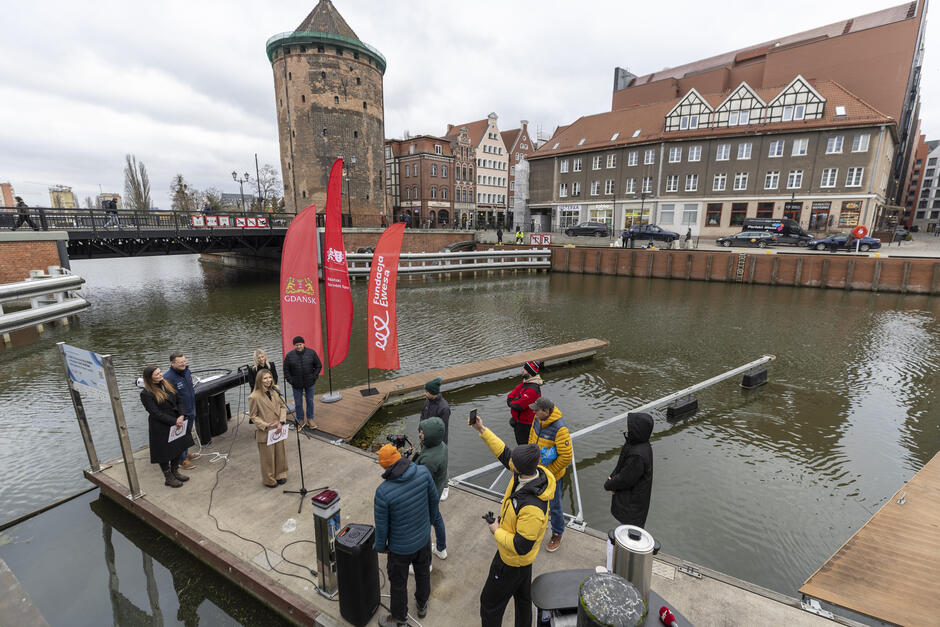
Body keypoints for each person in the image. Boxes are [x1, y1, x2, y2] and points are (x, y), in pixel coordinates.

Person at [470, 413, 554, 627]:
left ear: (520, 468)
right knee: (523, 601)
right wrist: (482, 429)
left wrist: (495, 529)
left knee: (489, 605)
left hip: (510, 562)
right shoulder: (527, 473)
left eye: (512, 462)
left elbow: (522, 546)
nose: (509, 463)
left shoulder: (532, 508)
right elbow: (503, 452)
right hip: (522, 565)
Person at [373, 444, 438, 627]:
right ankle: (422, 603)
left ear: (385, 467)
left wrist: (381, 547)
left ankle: (399, 618)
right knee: (423, 571)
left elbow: (382, 527)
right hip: (423, 539)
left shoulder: (383, 492)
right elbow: (434, 503)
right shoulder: (424, 472)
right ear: (399, 457)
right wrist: (428, 525)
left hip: (400, 548)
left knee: (398, 583)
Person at [528, 397, 572, 552]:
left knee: (555, 506)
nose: (533, 411)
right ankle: (538, 525)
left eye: (536, 409)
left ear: (546, 411)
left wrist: (549, 472)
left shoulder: (560, 429)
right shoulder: (537, 419)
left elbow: (566, 456)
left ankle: (557, 533)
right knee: (535, 501)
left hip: (551, 476)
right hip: (535, 471)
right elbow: (531, 438)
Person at [139, 365, 194, 488]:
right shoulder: (146, 394)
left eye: (160, 372)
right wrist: (175, 421)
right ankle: (168, 477)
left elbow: (179, 400)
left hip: (177, 421)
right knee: (164, 453)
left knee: (179, 447)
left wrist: (181, 415)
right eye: (157, 374)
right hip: (161, 426)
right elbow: (155, 413)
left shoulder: (167, 384)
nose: (160, 375)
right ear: (150, 378)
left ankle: (175, 471)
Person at [604, 412, 654, 528]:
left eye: (629, 426)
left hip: (632, 506)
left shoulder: (638, 455)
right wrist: (613, 478)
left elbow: (625, 479)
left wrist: (610, 484)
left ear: (637, 429)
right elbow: (621, 465)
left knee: (627, 532)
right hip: (630, 501)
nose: (627, 428)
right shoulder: (636, 443)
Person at [413, 417, 448, 560]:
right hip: (436, 490)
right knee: (437, 519)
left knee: (424, 527)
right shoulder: (441, 445)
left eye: (422, 432)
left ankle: (426, 561)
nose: (420, 434)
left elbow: (417, 479)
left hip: (426, 496)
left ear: (431, 435)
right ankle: (441, 548)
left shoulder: (429, 460)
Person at [248, 369, 289, 487]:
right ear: (259, 380)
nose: (268, 380)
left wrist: (281, 421)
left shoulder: (276, 389)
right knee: (268, 457)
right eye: (265, 378)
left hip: (279, 428)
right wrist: (265, 425)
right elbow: (253, 416)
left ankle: (281, 474)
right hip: (266, 431)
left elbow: (282, 406)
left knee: (281, 454)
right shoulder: (254, 396)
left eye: (269, 377)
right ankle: (269, 479)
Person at [163, 352, 198, 467]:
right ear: (172, 363)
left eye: (184, 361)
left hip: (191, 407)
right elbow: (171, 399)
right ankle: (182, 461)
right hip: (181, 413)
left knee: (187, 434)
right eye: (180, 362)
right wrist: (179, 414)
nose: (184, 364)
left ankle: (186, 454)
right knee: (181, 436)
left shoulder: (187, 371)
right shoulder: (168, 378)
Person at [420, 376, 451, 499]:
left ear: (431, 393)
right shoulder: (427, 401)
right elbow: (422, 416)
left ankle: (445, 486)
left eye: (426, 391)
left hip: (438, 442)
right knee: (425, 461)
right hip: (425, 438)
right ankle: (429, 483)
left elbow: (443, 429)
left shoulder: (444, 408)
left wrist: (439, 444)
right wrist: (421, 431)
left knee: (442, 464)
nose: (424, 393)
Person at [283, 336, 322, 430]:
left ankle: (310, 419)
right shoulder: (289, 356)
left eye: (300, 344)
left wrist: (314, 377)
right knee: (298, 403)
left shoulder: (311, 353)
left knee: (310, 401)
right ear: (294, 346)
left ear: (304, 344)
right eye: (296, 345)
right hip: (296, 384)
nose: (299, 346)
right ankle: (300, 420)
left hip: (310, 382)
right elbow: (286, 370)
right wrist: (291, 380)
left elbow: (318, 366)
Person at [506, 361, 543, 445]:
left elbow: (518, 405)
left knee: (524, 446)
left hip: (526, 425)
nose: (522, 370)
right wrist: (515, 399)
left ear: (529, 372)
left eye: (525, 369)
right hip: (519, 422)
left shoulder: (532, 389)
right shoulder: (526, 382)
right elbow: (511, 394)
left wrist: (512, 401)